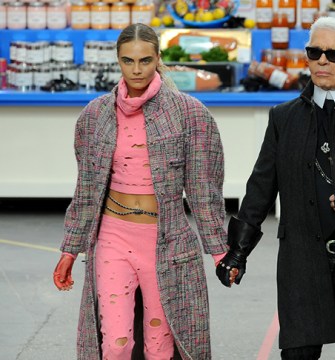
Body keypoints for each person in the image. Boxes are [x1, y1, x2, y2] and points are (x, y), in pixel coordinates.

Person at [216, 17, 335, 360]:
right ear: (306, 58)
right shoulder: (283, 117)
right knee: (298, 354)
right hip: (302, 261)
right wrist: (238, 250)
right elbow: (260, 189)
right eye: (315, 52)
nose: (322, 60)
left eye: (333, 54)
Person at [52, 23, 230, 360]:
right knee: (115, 345)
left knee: (160, 346)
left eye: (145, 61)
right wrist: (70, 250)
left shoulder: (190, 115)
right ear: (117, 61)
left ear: (158, 59)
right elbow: (87, 190)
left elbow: (204, 188)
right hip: (112, 236)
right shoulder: (94, 116)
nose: (136, 70)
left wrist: (220, 251)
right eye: (128, 61)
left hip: (164, 239)